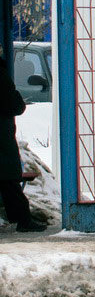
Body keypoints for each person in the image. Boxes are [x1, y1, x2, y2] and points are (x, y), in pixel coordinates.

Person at [0, 54, 44, 232]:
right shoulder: (1, 75)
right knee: (9, 181)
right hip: (1, 138)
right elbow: (14, 104)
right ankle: (23, 220)